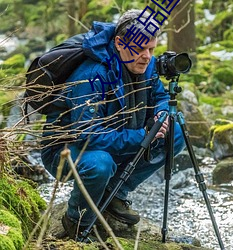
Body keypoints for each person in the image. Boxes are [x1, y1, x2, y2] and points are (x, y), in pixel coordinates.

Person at [41, 9, 185, 241]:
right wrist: (142, 135)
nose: (147, 56)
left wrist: (161, 114)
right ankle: (76, 221)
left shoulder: (144, 63)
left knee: (175, 132)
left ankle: (115, 193)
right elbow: (87, 136)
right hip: (67, 150)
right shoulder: (91, 75)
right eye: (140, 49)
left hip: (117, 136)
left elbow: (159, 96)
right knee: (100, 164)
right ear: (119, 43)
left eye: (152, 49)